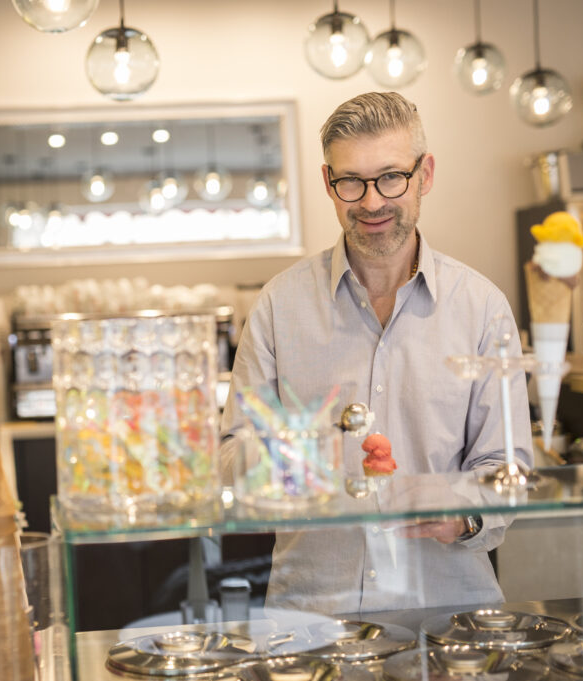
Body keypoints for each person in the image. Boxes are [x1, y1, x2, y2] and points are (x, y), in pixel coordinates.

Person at [219, 92, 533, 615]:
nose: (370, 202)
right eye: (351, 182)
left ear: (425, 174)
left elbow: (506, 465)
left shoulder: (482, 308)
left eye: (391, 177)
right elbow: (230, 459)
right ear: (328, 183)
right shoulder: (278, 304)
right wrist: (292, 454)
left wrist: (460, 516)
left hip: (450, 618)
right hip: (313, 621)